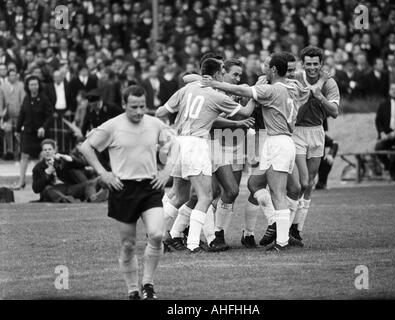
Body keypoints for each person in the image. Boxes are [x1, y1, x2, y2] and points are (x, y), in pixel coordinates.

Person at [202, 53, 317, 251]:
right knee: (254, 184)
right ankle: (270, 228)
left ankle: (281, 240)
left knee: (279, 193)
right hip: (284, 141)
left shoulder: (270, 90)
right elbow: (305, 92)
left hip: (276, 141)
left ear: (273, 70)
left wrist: (216, 84)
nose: (262, 67)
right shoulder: (293, 87)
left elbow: (241, 91)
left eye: (266, 65)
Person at [79, 85, 176, 300]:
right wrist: (103, 173)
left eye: (143, 106)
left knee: (157, 235)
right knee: (128, 244)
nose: (140, 111)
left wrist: (167, 170)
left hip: (150, 187)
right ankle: (132, 289)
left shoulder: (154, 123)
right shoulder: (112, 126)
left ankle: (148, 285)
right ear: (124, 105)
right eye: (134, 107)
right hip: (123, 188)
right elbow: (86, 147)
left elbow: (175, 144)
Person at [156, 58, 255, 253]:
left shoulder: (188, 88)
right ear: (219, 73)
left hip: (179, 141)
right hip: (198, 144)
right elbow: (245, 112)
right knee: (205, 196)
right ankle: (193, 243)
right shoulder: (216, 95)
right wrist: (256, 94)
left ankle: (157, 235)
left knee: (179, 195)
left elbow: (160, 111)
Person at [287, 46, 340, 245]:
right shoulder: (295, 79)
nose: (311, 67)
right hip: (297, 132)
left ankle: (296, 229)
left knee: (309, 183)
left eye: (315, 64)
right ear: (302, 64)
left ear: (321, 64)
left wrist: (321, 96)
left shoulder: (330, 83)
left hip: (317, 131)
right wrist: (319, 85)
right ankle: (283, 229)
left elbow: (334, 112)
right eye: (308, 64)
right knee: (302, 183)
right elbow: (302, 97)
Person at [32, 139, 106, 203]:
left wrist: (71, 159)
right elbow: (36, 189)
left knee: (90, 183)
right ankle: (69, 200)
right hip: (54, 191)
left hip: (70, 188)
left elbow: (82, 164)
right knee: (47, 189)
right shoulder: (38, 168)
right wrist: (47, 173)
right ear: (42, 152)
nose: (47, 152)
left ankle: (93, 198)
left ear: (54, 150)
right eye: (45, 150)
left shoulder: (61, 161)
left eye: (49, 149)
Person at [14, 75, 53, 189]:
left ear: (39, 85)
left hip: (41, 133)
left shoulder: (44, 98)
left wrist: (43, 127)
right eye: (31, 85)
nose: (34, 87)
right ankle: (21, 181)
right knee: (24, 156)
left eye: (35, 84)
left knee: (43, 156)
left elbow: (49, 116)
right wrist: (17, 130)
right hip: (28, 132)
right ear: (28, 86)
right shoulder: (26, 98)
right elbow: (22, 114)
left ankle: (43, 181)